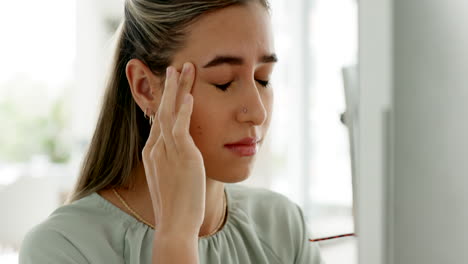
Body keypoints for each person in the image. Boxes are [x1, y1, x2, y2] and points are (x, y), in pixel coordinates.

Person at [19, 0, 324, 263]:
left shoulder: (282, 226)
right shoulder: (62, 249)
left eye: (263, 78)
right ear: (145, 88)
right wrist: (176, 238)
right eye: (223, 81)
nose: (258, 111)